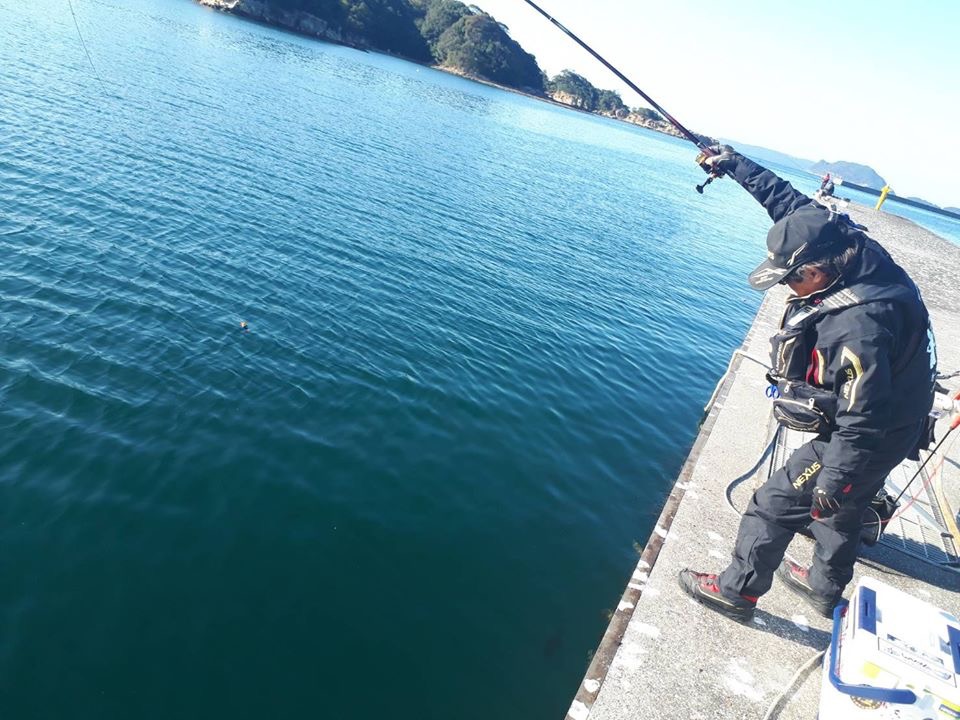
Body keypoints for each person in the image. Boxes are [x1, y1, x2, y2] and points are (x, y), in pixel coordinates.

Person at [678, 146, 937, 622]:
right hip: (903, 414)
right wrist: (733, 164)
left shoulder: (857, 328)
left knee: (775, 503)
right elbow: (787, 203)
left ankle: (737, 592)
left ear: (816, 272)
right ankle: (823, 588)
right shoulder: (848, 246)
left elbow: (861, 418)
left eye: (790, 281)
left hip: (872, 429)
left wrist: (833, 479)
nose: (787, 289)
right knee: (846, 509)